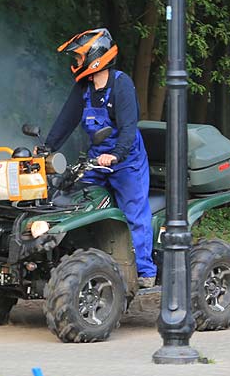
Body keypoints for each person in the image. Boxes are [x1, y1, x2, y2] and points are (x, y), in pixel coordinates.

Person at [42, 28, 157, 288]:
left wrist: (116, 155)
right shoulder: (84, 88)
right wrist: (47, 148)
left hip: (127, 161)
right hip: (96, 160)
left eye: (79, 58)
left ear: (96, 56)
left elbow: (129, 128)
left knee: (134, 212)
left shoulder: (121, 83)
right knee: (75, 202)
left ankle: (145, 271)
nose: (76, 64)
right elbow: (66, 120)